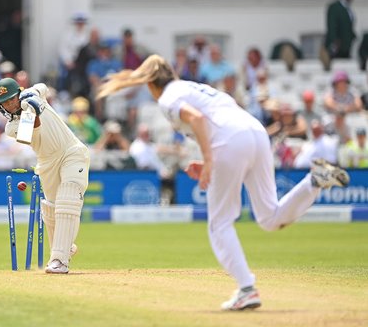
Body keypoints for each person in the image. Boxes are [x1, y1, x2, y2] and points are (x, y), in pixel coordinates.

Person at [97, 54, 350, 311]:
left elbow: (197, 119)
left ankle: (247, 289)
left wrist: (208, 159)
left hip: (232, 140)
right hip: (256, 132)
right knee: (269, 218)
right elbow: (220, 123)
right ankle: (314, 181)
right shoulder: (195, 87)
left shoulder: (167, 97)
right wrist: (212, 159)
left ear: (151, 83)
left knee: (219, 224)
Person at [0, 77, 89, 274]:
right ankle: (64, 246)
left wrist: (35, 95)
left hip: (71, 152)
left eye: (12, 99)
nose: (10, 105)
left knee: (68, 199)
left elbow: (43, 87)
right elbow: (31, 131)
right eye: (5, 103)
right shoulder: (11, 128)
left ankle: (59, 260)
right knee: (51, 210)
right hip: (46, 163)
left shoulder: (30, 95)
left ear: (18, 94)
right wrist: (32, 111)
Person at [322, 0, 356, 69]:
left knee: (345, 66)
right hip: (338, 45)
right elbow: (332, 25)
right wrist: (334, 40)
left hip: (347, 45)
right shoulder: (335, 7)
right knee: (336, 65)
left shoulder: (347, 8)